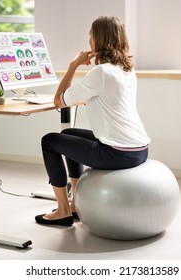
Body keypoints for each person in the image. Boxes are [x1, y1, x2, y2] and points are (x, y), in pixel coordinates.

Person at [35, 16, 150, 226]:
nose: (88, 39)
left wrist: (73, 66)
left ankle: (62, 211)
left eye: (91, 34)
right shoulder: (126, 69)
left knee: (49, 142)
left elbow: (59, 101)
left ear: (99, 38)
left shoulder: (101, 72)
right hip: (138, 150)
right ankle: (74, 204)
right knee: (67, 134)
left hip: (117, 153)